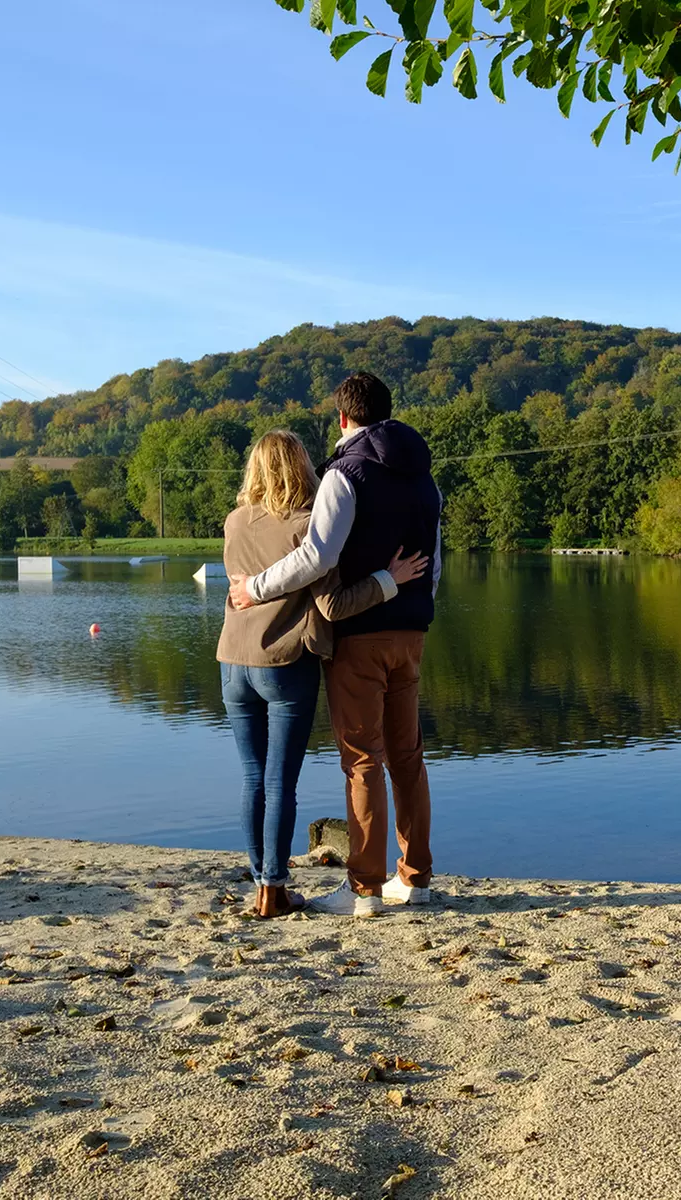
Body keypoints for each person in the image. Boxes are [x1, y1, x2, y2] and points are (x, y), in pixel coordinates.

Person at [229, 372, 442, 918]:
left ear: (343, 419)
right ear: (389, 412)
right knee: (408, 755)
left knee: (363, 759)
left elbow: (317, 558)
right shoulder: (425, 477)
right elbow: (435, 562)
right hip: (412, 631)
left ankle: (364, 888)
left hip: (359, 634)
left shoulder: (343, 474)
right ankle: (414, 878)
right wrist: (415, 604)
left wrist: (253, 587)